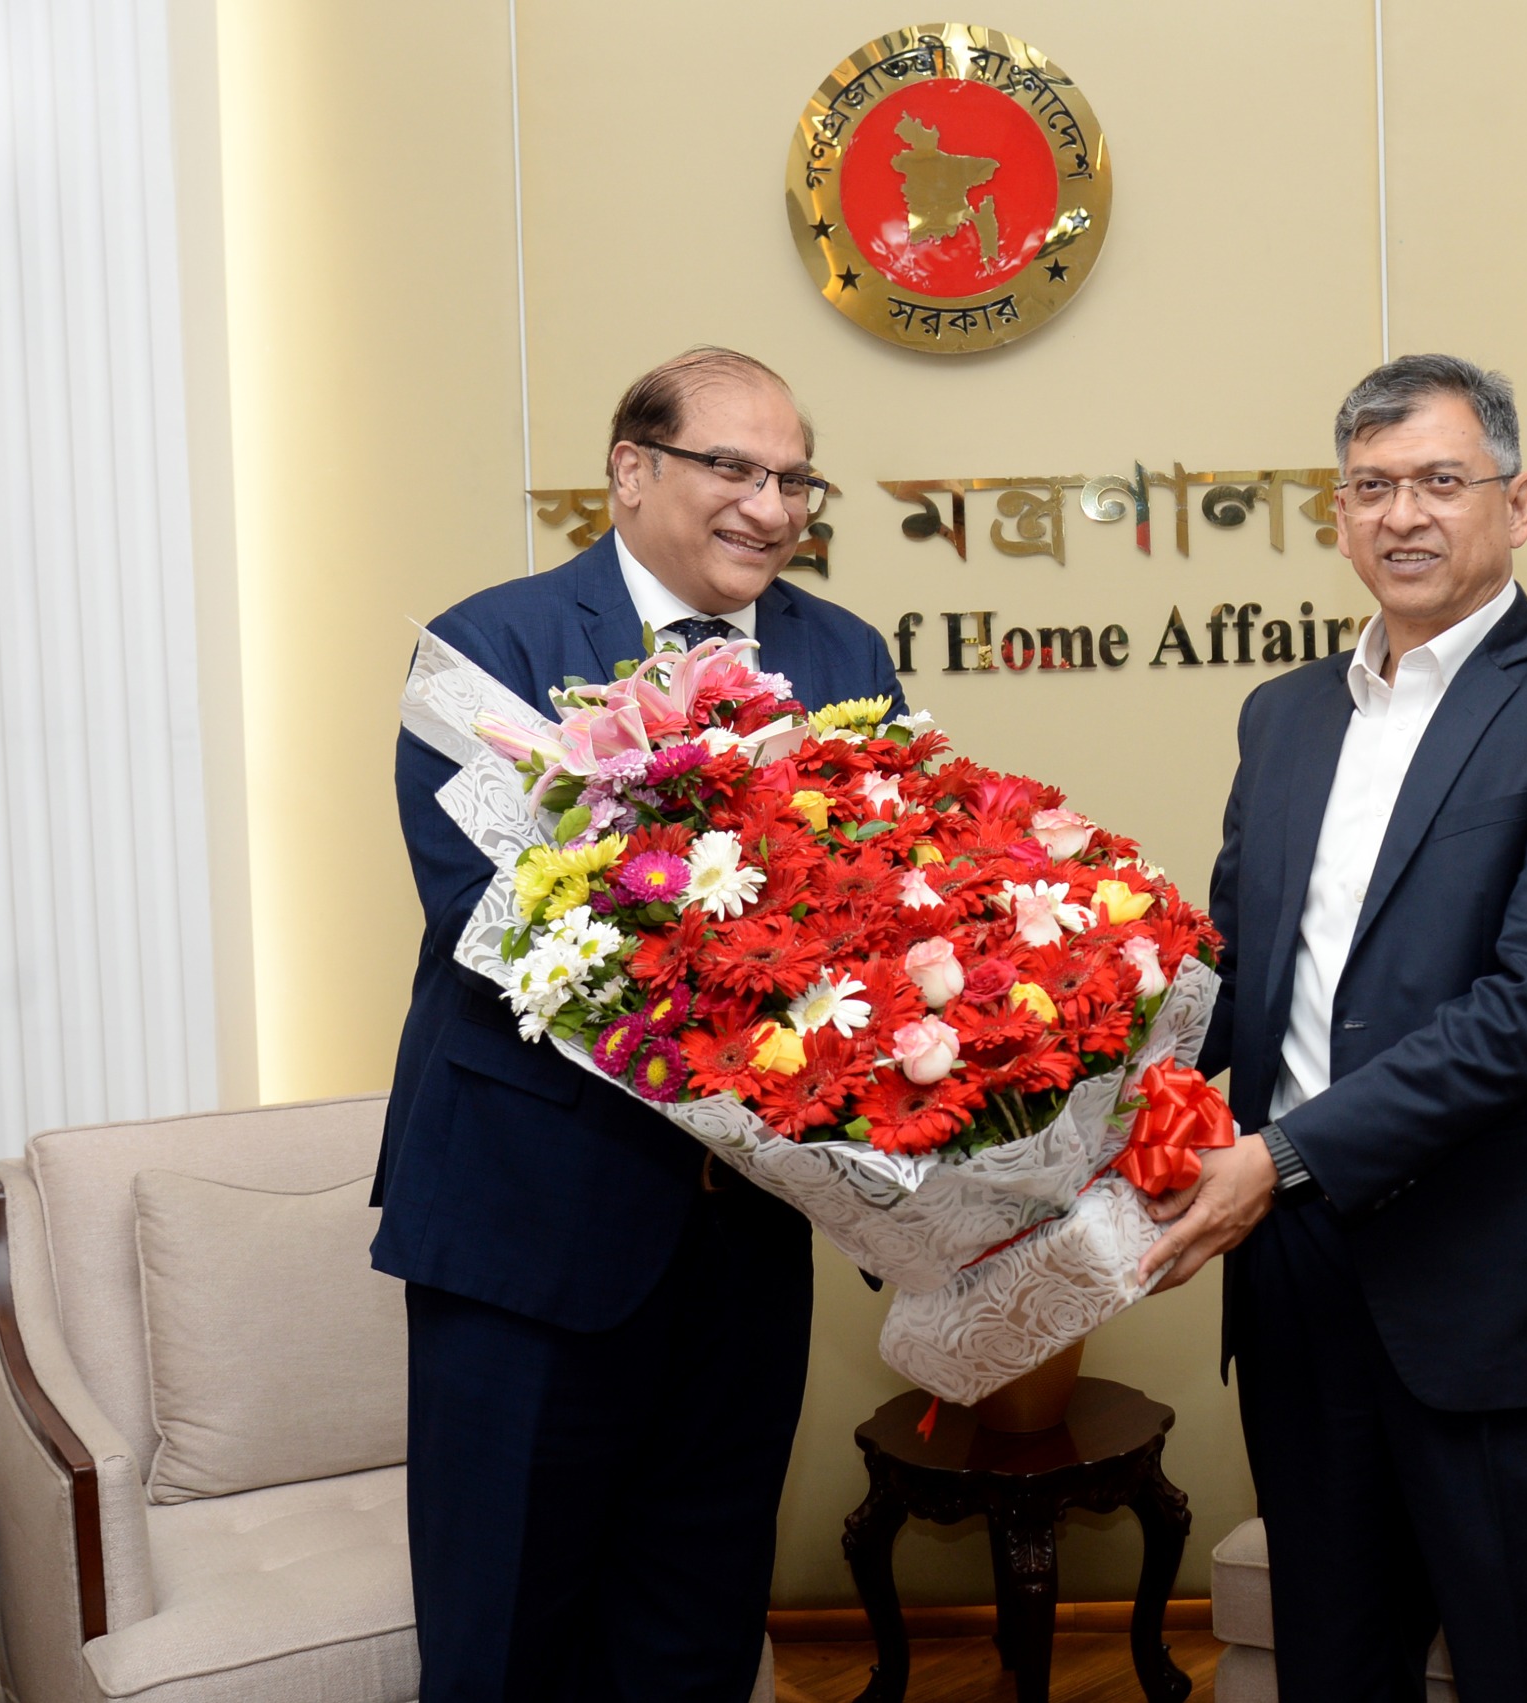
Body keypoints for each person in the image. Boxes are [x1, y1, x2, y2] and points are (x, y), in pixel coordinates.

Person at [1142, 354, 1527, 1701]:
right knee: (1335, 1660)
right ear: (1336, 515)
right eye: (1372, 486)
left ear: (1519, 503)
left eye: (1442, 481)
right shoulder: (1281, 717)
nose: (1405, 515)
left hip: (1501, 1282)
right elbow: (1235, 967)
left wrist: (1276, 1158)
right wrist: (1063, 1071)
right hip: (1297, 1284)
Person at [374, 347, 904, 1700]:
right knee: (506, 1637)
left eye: (793, 477)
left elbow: (889, 918)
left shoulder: (839, 655)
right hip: (530, 1234)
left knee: (696, 1628)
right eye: (734, 467)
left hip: (742, 1247)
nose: (771, 506)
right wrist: (764, 972)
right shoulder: (492, 650)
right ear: (631, 470)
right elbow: (497, 928)